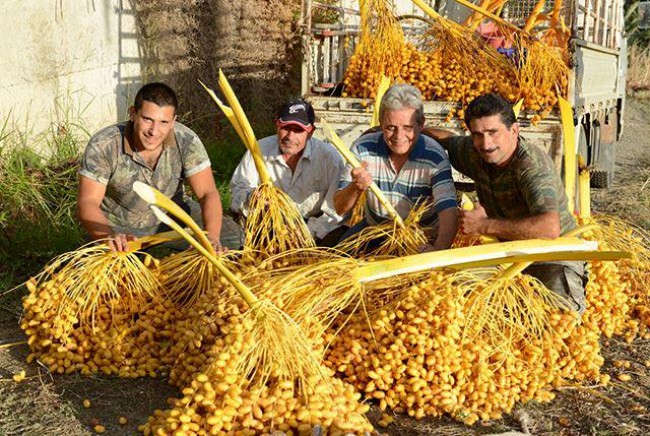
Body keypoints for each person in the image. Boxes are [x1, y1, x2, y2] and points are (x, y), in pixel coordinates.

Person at [425, 93, 587, 314]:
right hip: (507, 253)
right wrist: (403, 131)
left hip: (553, 255)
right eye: (478, 135)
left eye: (493, 133)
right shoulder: (475, 153)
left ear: (514, 130)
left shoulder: (530, 166)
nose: (486, 143)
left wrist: (483, 226)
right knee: (455, 303)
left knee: (558, 323)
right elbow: (446, 139)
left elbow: (549, 228)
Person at [78, 82, 224, 252]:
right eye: (147, 120)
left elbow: (208, 193)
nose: (154, 131)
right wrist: (109, 236)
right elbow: (87, 202)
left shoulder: (186, 140)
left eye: (163, 122)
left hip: (175, 223)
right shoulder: (104, 144)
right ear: (133, 113)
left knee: (231, 238)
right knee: (108, 273)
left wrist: (212, 238)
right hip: (121, 231)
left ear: (173, 122)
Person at [333, 83, 458, 252]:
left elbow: (448, 210)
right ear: (381, 123)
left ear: (421, 124)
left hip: (421, 236)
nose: (399, 137)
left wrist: (438, 248)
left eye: (407, 128)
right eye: (391, 127)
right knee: (339, 258)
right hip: (375, 230)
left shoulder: (434, 157)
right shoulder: (362, 148)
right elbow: (339, 208)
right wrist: (355, 187)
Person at [229, 99, 347, 247]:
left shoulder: (328, 158)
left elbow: (335, 212)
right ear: (276, 125)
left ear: (310, 132)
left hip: (314, 229)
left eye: (298, 130)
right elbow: (236, 192)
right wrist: (251, 197)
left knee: (341, 237)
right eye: (285, 128)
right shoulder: (259, 150)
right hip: (269, 228)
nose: (290, 137)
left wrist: (307, 233)